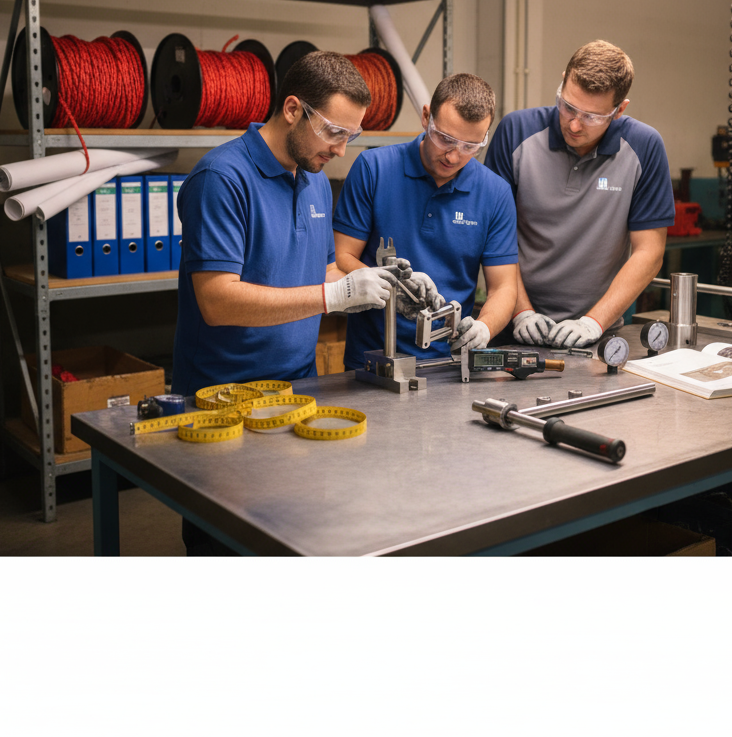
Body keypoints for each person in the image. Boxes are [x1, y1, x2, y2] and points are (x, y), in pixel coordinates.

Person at [171, 50, 404, 555]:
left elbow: (323, 270)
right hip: (221, 401)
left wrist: (377, 282)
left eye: (351, 136)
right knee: (228, 551)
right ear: (294, 109)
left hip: (297, 392)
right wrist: (333, 295)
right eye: (334, 132)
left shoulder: (313, 176)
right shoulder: (221, 180)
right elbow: (217, 301)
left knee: (294, 539)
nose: (340, 150)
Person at [484, 39, 674, 350]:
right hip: (512, 325)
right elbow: (494, 236)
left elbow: (649, 252)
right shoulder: (516, 132)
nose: (574, 125)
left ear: (619, 110)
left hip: (598, 333)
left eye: (592, 117)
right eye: (568, 106)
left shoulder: (644, 147)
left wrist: (593, 322)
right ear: (563, 83)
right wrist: (521, 312)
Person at [333, 73, 518, 368]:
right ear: (426, 117)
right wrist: (392, 287)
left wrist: (485, 327)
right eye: (445, 139)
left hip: (449, 365)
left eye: (470, 146)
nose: (453, 156)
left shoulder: (495, 193)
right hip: (371, 361)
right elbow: (341, 258)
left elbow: (504, 288)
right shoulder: (374, 169)